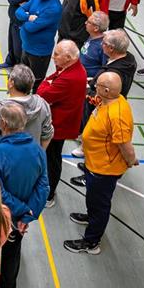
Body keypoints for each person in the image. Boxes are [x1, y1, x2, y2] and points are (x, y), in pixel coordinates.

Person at [64, 72, 137, 254]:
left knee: (100, 204)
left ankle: (91, 242)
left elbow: (124, 145)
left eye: (97, 84)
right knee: (93, 198)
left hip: (105, 169)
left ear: (106, 90)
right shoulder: (110, 101)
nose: (93, 85)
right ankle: (91, 217)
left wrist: (130, 160)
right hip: (94, 163)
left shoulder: (117, 114)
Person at [0, 103, 48, 288]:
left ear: (3, 123)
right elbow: (43, 186)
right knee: (12, 254)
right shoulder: (38, 150)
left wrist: (22, 209)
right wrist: (27, 214)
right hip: (19, 221)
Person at [70, 29, 137, 178]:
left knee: (99, 142)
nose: (101, 45)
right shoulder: (126, 59)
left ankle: (91, 174)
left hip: (101, 109)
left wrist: (88, 90)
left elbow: (106, 95)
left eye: (104, 43)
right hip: (99, 106)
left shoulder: (115, 73)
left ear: (112, 48)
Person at [37, 41, 87, 207]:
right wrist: (48, 82)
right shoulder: (71, 67)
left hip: (59, 125)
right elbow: (51, 79)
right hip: (58, 121)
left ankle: (49, 194)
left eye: (57, 54)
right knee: (50, 156)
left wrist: (46, 84)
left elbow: (42, 93)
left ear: (68, 57)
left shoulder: (70, 77)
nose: (53, 56)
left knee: (52, 159)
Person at [0, 64, 53, 162]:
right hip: (30, 163)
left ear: (11, 83)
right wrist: (38, 156)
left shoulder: (0, 109)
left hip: (4, 165)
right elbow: (47, 134)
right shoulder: (42, 104)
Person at [16, 0, 62, 92]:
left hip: (39, 53)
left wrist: (23, 23)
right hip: (26, 47)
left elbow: (32, 28)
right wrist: (28, 17)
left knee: (36, 83)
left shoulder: (54, 8)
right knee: (22, 79)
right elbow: (18, 11)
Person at [0, 0, 39, 69]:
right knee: (11, 42)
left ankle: (17, 67)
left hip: (21, 21)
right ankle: (10, 60)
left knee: (18, 46)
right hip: (13, 18)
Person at [80, 11, 109, 78]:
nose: (85, 23)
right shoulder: (91, 36)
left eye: (89, 22)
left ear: (96, 28)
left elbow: (105, 68)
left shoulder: (103, 46)